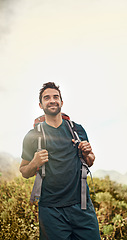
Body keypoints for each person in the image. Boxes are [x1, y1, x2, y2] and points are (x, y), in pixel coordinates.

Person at [19, 82, 101, 240]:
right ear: (40, 105)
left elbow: (90, 161)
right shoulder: (32, 136)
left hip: (82, 206)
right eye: (47, 98)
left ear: (61, 102)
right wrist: (34, 163)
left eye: (56, 97)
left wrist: (88, 153)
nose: (52, 100)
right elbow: (24, 171)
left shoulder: (77, 129)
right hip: (51, 211)